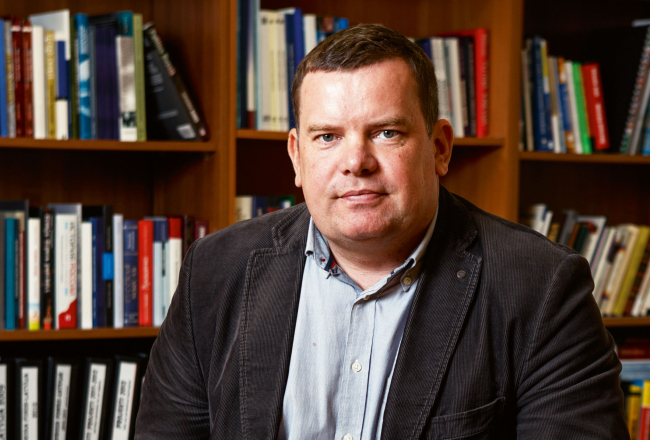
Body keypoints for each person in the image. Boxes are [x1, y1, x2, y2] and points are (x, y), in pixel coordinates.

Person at [134, 24, 628, 439]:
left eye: (386, 132)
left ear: (439, 148)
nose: (356, 162)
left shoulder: (541, 287)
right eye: (328, 137)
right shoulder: (214, 271)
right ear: (297, 157)